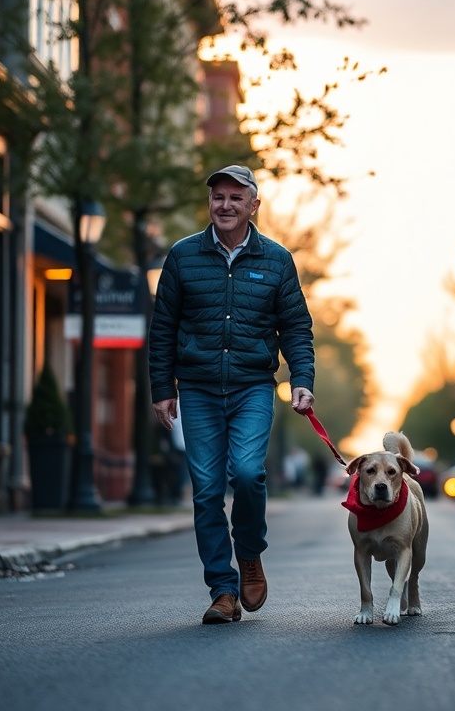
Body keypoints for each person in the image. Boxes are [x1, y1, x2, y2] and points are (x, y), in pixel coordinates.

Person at [148, 164, 316, 625]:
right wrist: (163, 389)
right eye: (217, 197)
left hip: (253, 387)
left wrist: (302, 379)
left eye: (235, 198)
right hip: (198, 389)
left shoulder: (277, 260)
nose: (225, 205)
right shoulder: (183, 257)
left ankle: (250, 553)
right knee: (205, 491)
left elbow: (296, 327)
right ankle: (223, 590)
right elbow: (162, 326)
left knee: (245, 474)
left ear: (253, 206)